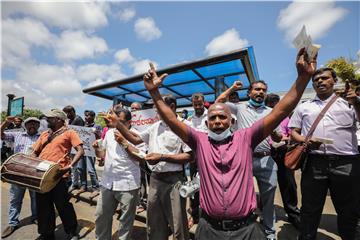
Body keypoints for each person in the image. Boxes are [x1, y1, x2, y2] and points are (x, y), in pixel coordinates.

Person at [141, 48, 317, 240]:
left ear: (232, 122)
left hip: (246, 230)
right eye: (213, 117)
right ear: (206, 124)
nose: (217, 121)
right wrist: (154, 92)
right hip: (209, 230)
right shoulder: (199, 140)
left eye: (222, 117)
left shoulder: (246, 137)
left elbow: (280, 112)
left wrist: (303, 78)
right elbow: (172, 121)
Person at [289, 67, 360, 240]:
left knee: (348, 210)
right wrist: (306, 140)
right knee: (309, 210)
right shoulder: (304, 107)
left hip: (346, 163)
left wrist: (357, 103)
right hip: (314, 163)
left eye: (324, 78)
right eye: (316, 79)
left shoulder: (349, 102)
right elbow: (293, 132)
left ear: (334, 81)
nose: (320, 81)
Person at [109, 94, 192, 240]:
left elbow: (190, 156)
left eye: (158, 109)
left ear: (172, 107)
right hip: (154, 181)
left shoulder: (184, 127)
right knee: (154, 224)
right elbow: (135, 139)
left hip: (174, 182)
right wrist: (118, 124)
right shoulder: (155, 126)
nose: (156, 113)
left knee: (178, 225)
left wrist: (161, 157)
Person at [216, 80, 282, 239]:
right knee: (241, 196)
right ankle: (246, 228)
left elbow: (279, 137)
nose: (260, 92)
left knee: (268, 198)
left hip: (267, 159)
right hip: (243, 159)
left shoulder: (271, 112)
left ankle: (269, 232)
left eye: (263, 90)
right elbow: (218, 102)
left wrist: (274, 134)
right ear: (249, 93)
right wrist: (232, 88)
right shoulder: (239, 107)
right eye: (257, 89)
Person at [31, 109, 84, 240]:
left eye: (50, 118)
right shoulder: (44, 134)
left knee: (63, 205)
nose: (47, 120)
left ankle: (71, 231)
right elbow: (34, 151)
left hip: (59, 175)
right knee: (43, 206)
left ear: (59, 120)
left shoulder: (70, 132)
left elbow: (80, 151)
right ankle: (47, 233)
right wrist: (30, 162)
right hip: (41, 175)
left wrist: (69, 166)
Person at [93, 108, 140, 240]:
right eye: (114, 121)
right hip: (107, 183)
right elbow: (103, 155)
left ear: (130, 122)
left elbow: (141, 158)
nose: (116, 124)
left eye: (121, 122)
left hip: (128, 184)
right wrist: (97, 149)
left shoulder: (136, 135)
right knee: (101, 216)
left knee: (125, 221)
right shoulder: (109, 133)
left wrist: (124, 143)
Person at [1, 117, 40, 238]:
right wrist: (7, 122)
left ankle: (35, 218)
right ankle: (13, 223)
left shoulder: (42, 137)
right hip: (17, 173)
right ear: (25, 125)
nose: (32, 125)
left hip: (34, 173)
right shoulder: (16, 135)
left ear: (38, 125)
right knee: (15, 199)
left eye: (34, 123)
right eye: (29, 123)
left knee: (35, 198)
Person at [265, 93, 301, 229]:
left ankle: (293, 214)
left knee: (288, 184)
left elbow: (291, 136)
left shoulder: (285, 119)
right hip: (266, 153)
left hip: (282, 152)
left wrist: (281, 138)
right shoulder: (264, 118)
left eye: (275, 104)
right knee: (266, 184)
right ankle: (266, 212)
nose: (273, 107)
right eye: (270, 105)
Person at [186, 93, 208, 228]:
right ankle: (194, 216)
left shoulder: (211, 115)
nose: (198, 107)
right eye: (195, 105)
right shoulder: (190, 119)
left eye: (200, 104)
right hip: (194, 158)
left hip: (209, 157)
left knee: (209, 186)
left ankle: (208, 215)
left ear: (204, 102)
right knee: (194, 187)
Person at [63, 105, 86, 193]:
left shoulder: (78, 119)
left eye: (68, 112)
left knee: (78, 166)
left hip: (78, 147)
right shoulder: (70, 120)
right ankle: (74, 182)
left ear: (73, 111)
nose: (67, 114)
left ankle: (77, 183)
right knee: (73, 166)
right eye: (66, 113)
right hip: (73, 147)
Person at [84, 110, 101, 197]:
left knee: (91, 170)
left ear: (93, 117)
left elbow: (99, 138)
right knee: (80, 169)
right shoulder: (83, 126)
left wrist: (96, 133)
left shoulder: (97, 126)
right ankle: (83, 186)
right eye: (85, 116)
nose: (86, 117)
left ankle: (96, 188)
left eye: (88, 116)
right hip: (83, 149)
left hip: (91, 151)